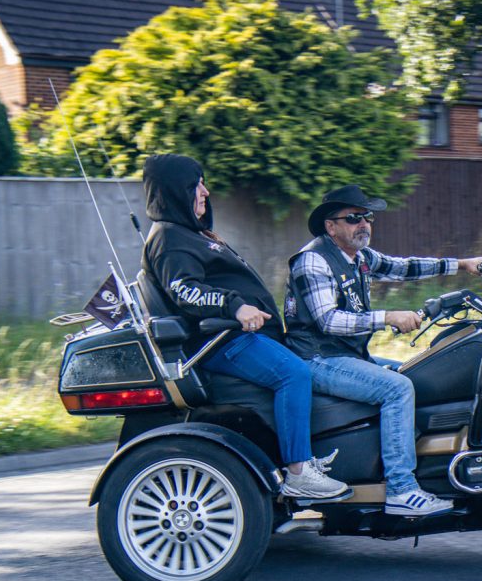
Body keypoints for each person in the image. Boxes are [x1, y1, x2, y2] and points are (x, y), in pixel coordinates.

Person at [140, 154, 347, 500]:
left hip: (238, 336)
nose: (205, 192)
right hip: (222, 341)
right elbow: (186, 291)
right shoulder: (170, 238)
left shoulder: (189, 233)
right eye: (195, 186)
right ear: (175, 191)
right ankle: (299, 472)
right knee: (293, 374)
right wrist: (234, 306)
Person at [284, 185, 482, 517]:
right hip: (317, 358)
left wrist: (463, 264)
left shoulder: (359, 257)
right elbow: (328, 320)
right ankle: (402, 490)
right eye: (353, 218)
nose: (363, 224)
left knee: (417, 373)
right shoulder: (313, 261)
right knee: (397, 388)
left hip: (346, 356)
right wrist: (388, 317)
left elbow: (405, 267)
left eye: (367, 217)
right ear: (330, 226)